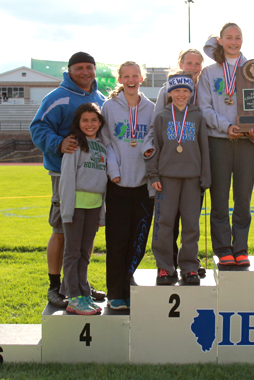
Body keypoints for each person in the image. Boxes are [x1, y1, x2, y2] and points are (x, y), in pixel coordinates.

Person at [30, 52, 107, 308]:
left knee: (87, 234)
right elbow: (38, 128)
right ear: (70, 70)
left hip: (92, 179)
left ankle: (77, 283)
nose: (85, 72)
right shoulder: (57, 97)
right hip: (64, 175)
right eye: (79, 68)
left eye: (89, 67)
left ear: (95, 69)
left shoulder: (100, 99)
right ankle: (55, 286)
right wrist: (59, 143)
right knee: (62, 231)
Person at [198, 22, 254, 266]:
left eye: (237, 37)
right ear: (221, 41)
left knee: (244, 199)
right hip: (219, 141)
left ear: (242, 41)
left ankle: (241, 247)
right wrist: (227, 127)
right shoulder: (209, 72)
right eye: (229, 37)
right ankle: (223, 248)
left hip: (246, 142)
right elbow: (204, 108)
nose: (233, 42)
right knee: (220, 199)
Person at [147, 72, 211, 285]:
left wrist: (205, 177)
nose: (181, 94)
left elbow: (204, 148)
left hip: (192, 179)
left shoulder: (198, 116)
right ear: (170, 93)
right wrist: (153, 174)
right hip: (166, 179)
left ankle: (189, 267)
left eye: (185, 90)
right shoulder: (162, 116)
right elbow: (154, 147)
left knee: (191, 225)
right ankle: (165, 267)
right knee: (164, 224)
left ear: (191, 93)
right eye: (177, 91)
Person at [100, 61, 155, 310]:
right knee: (117, 239)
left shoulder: (151, 108)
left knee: (138, 239)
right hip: (118, 183)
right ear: (120, 79)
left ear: (141, 78)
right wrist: (113, 171)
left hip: (143, 185)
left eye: (135, 75)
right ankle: (115, 291)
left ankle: (128, 282)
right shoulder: (109, 107)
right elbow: (106, 142)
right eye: (126, 76)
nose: (131, 80)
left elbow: (153, 140)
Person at [58, 103, 107, 315]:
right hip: (76, 206)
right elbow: (67, 178)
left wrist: (101, 213)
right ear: (78, 122)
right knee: (72, 252)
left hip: (93, 207)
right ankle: (73, 297)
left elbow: (102, 182)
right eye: (85, 120)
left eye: (94, 120)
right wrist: (67, 210)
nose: (90, 124)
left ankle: (83, 291)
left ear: (100, 123)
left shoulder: (102, 145)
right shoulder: (74, 145)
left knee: (85, 253)